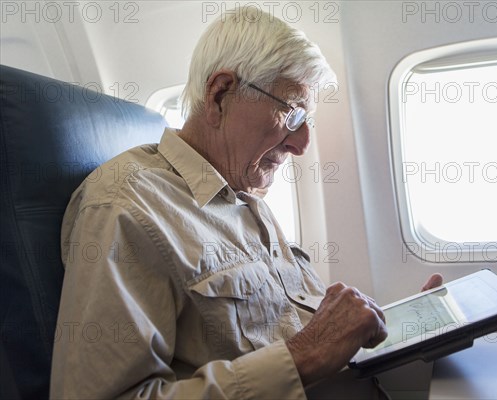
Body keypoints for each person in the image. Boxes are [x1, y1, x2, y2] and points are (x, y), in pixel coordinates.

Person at [50, 6, 442, 399]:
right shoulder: (125, 208)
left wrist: (396, 332)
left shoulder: (248, 203)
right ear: (220, 95)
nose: (302, 144)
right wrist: (306, 356)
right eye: (292, 116)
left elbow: (298, 330)